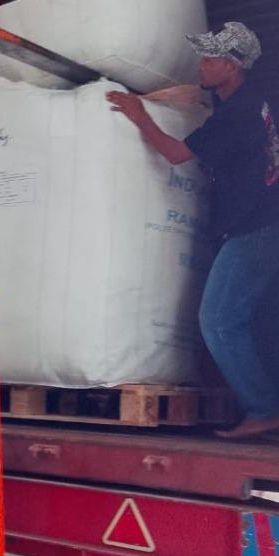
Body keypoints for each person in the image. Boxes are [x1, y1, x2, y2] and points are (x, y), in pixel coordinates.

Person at [106, 22, 279, 438]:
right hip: (262, 221)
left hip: (258, 227)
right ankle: (264, 404)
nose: (201, 64)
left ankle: (263, 408)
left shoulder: (237, 114)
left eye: (210, 58)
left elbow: (175, 154)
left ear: (232, 66)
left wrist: (139, 115)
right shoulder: (252, 102)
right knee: (241, 317)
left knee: (218, 320)